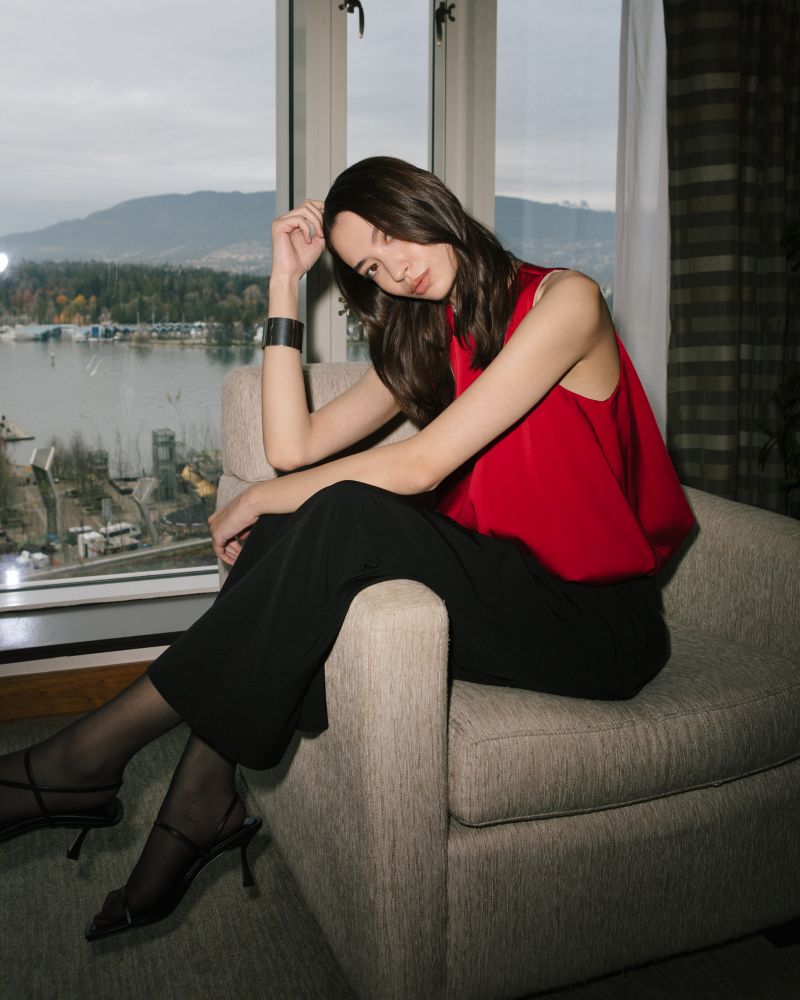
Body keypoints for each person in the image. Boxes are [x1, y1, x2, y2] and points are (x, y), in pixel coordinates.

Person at [0, 156, 695, 940]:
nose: (394, 270)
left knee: (337, 512)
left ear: (428, 204)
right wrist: (283, 286)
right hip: (506, 592)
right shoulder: (428, 335)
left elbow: (419, 466)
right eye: (369, 267)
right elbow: (292, 448)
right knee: (306, 515)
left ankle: (86, 764)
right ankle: (194, 794)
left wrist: (258, 497)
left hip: (598, 626)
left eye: (393, 236)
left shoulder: (565, 300)